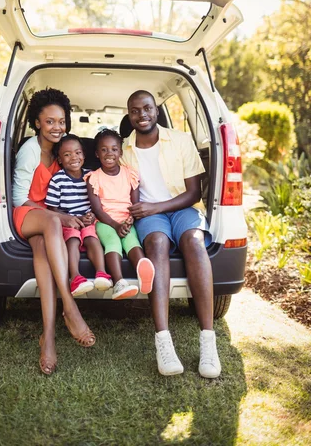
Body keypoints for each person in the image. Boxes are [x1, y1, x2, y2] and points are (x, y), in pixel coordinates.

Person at [122, 90, 221, 378]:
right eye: (135, 110)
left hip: (179, 208)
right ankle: (163, 341)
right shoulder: (124, 149)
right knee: (156, 243)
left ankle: (208, 341)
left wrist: (156, 207)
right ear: (129, 115)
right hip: (149, 217)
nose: (142, 115)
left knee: (194, 240)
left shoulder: (179, 140)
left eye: (148, 108)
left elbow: (193, 193)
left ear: (156, 111)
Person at [12, 88, 96, 376]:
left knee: (42, 253)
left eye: (61, 121)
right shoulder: (30, 151)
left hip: (45, 218)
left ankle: (47, 336)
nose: (57, 127)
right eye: (49, 122)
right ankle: (70, 307)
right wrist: (61, 216)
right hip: (26, 213)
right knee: (51, 224)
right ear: (37, 123)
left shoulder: (62, 154)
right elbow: (18, 196)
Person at [85, 129, 155, 300]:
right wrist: (116, 225)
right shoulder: (94, 178)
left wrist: (129, 221)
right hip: (105, 221)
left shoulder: (129, 173)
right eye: (104, 149)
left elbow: (135, 204)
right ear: (97, 153)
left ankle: (143, 272)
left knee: (132, 242)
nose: (109, 153)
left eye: (114, 149)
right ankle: (118, 282)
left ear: (121, 152)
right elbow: (98, 210)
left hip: (126, 220)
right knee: (113, 242)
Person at [45, 134, 113, 296]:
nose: (73, 157)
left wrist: (90, 215)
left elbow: (99, 201)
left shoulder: (91, 176)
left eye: (78, 153)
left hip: (89, 220)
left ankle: (101, 273)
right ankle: (75, 277)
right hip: (69, 222)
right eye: (67, 155)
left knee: (91, 237)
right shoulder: (58, 180)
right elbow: (52, 209)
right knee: (73, 239)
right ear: (60, 160)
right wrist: (69, 219)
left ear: (84, 155)